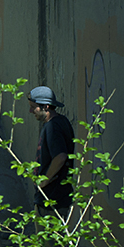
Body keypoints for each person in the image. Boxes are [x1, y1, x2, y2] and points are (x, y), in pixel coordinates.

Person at [28, 85, 75, 216]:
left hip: (52, 200)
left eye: (33, 107)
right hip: (57, 198)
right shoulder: (61, 122)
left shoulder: (53, 126)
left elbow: (60, 156)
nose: (30, 111)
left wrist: (45, 180)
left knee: (46, 236)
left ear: (46, 106)